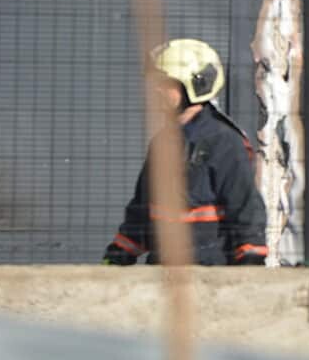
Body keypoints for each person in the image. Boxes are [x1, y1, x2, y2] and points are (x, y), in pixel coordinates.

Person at [103, 39, 268, 266]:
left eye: (166, 83)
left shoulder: (225, 143)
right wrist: (118, 254)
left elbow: (246, 213)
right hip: (162, 274)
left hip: (210, 277)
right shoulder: (162, 143)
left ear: (195, 85)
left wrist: (249, 269)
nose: (156, 90)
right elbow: (142, 210)